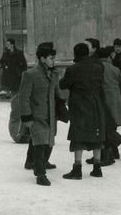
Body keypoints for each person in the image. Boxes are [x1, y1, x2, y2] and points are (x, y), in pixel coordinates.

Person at [59, 43, 106, 180]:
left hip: (79, 105)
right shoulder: (98, 68)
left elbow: (63, 85)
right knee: (96, 133)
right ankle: (97, 168)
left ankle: (77, 169)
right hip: (95, 104)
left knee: (78, 134)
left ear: (75, 54)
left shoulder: (72, 69)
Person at [19, 44, 63, 186]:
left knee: (48, 141)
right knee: (40, 143)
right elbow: (23, 97)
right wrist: (27, 117)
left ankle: (32, 162)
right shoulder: (30, 74)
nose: (53, 61)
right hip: (36, 115)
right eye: (51, 58)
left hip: (51, 114)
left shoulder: (54, 74)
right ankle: (40, 174)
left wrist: (61, 106)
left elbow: (57, 93)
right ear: (43, 59)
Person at [97, 46, 121, 165]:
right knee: (111, 127)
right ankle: (114, 153)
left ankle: (113, 151)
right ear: (108, 57)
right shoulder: (115, 69)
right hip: (115, 102)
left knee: (105, 130)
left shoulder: (98, 68)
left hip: (104, 101)